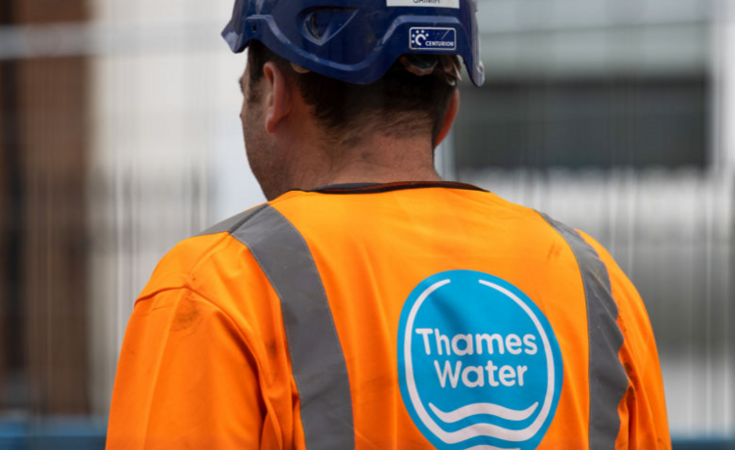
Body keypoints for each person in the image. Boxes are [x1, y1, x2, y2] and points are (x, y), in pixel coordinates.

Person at [106, 0, 671, 448]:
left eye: (244, 92)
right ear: (446, 112)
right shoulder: (598, 288)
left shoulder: (215, 291)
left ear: (274, 94)